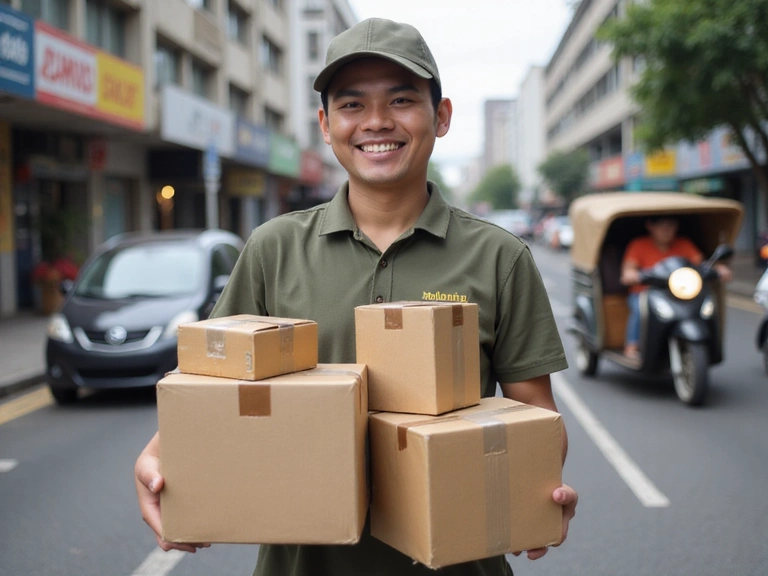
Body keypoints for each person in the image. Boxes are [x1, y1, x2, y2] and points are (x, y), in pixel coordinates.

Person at [135, 17, 578, 576]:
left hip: (459, 560)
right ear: (325, 124)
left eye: (400, 100)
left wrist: (535, 489)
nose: (376, 122)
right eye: (351, 105)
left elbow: (535, 413)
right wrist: (160, 454)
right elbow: (210, 392)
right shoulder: (274, 249)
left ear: (440, 117)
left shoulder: (499, 256)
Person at [620, 215, 733, 358]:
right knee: (639, 308)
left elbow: (701, 263)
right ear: (650, 226)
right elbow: (628, 270)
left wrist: (719, 269)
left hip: (679, 292)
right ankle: (632, 345)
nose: (667, 230)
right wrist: (633, 275)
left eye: (671, 226)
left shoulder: (683, 244)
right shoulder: (639, 245)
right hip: (647, 292)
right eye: (662, 226)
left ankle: (710, 346)